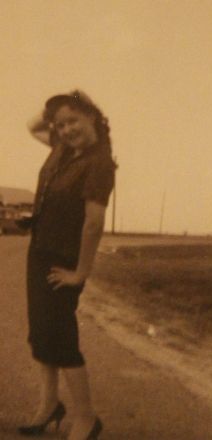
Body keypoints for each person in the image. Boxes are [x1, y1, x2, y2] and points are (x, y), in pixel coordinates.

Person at [18, 90, 116, 439]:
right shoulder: (61, 150)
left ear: (92, 115)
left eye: (73, 119)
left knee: (60, 338)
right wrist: (53, 113)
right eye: (60, 124)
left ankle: (86, 418)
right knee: (42, 335)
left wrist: (80, 273)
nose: (66, 128)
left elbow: (94, 223)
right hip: (40, 252)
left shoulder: (99, 163)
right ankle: (48, 406)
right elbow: (32, 125)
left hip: (64, 260)